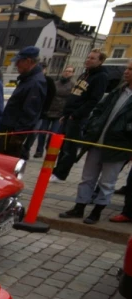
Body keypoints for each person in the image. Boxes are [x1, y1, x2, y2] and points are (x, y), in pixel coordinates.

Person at [60, 59, 132, 225]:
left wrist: (124, 130)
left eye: (130, 69)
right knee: (87, 177)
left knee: (107, 181)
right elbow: (99, 109)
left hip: (117, 146)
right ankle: (79, 206)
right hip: (97, 141)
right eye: (127, 68)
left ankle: (97, 211)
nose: (126, 72)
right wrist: (93, 124)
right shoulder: (118, 90)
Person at [51, 49, 109, 182]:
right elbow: (74, 95)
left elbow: (93, 100)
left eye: (93, 58)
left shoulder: (100, 77)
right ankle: (57, 170)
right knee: (62, 145)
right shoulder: (84, 74)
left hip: (78, 117)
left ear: (100, 61)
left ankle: (61, 174)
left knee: (70, 148)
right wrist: (65, 114)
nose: (88, 60)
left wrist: (76, 114)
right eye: (88, 57)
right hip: (69, 114)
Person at [0, 46, 47, 158]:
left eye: (19, 61)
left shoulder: (35, 82)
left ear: (28, 61)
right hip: (9, 131)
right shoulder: (27, 79)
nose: (16, 65)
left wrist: (17, 136)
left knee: (3, 162)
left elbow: (30, 113)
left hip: (14, 133)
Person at [34, 66, 74, 158]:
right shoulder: (55, 83)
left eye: (69, 71)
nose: (67, 73)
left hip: (60, 113)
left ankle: (49, 150)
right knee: (42, 132)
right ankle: (39, 150)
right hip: (49, 111)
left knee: (54, 133)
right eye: (66, 71)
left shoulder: (72, 85)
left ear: (72, 74)